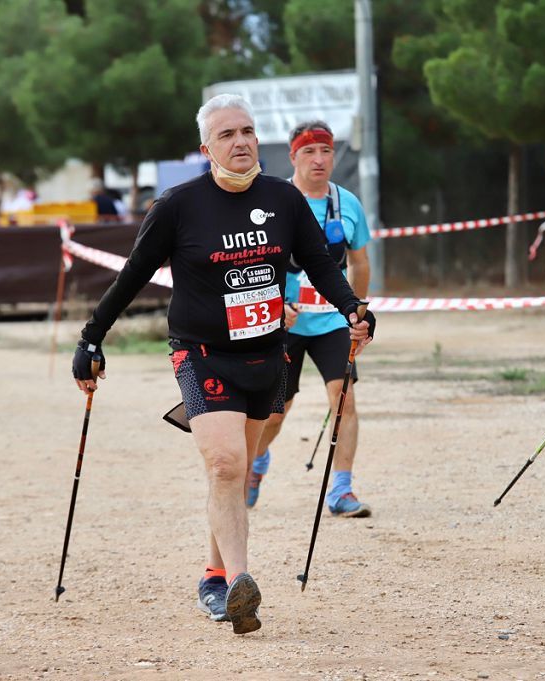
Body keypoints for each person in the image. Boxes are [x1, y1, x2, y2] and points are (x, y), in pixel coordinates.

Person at [71, 94, 375, 635]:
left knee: (234, 472)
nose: (241, 142)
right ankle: (241, 585)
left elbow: (319, 265)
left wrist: (353, 306)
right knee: (226, 466)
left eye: (248, 132)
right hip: (201, 351)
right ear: (206, 148)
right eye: (228, 134)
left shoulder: (283, 198)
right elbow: (134, 274)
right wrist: (92, 338)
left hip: (267, 355)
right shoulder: (178, 204)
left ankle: (214, 577)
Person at [247, 121, 373, 517]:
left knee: (344, 399)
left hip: (333, 323)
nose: (319, 160)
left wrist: (358, 309)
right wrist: (274, 306)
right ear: (293, 157)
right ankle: (258, 459)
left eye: (326, 152)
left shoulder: (347, 203)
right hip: (282, 324)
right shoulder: (275, 200)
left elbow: (359, 261)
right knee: (275, 411)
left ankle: (341, 490)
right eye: (309, 152)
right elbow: (258, 262)